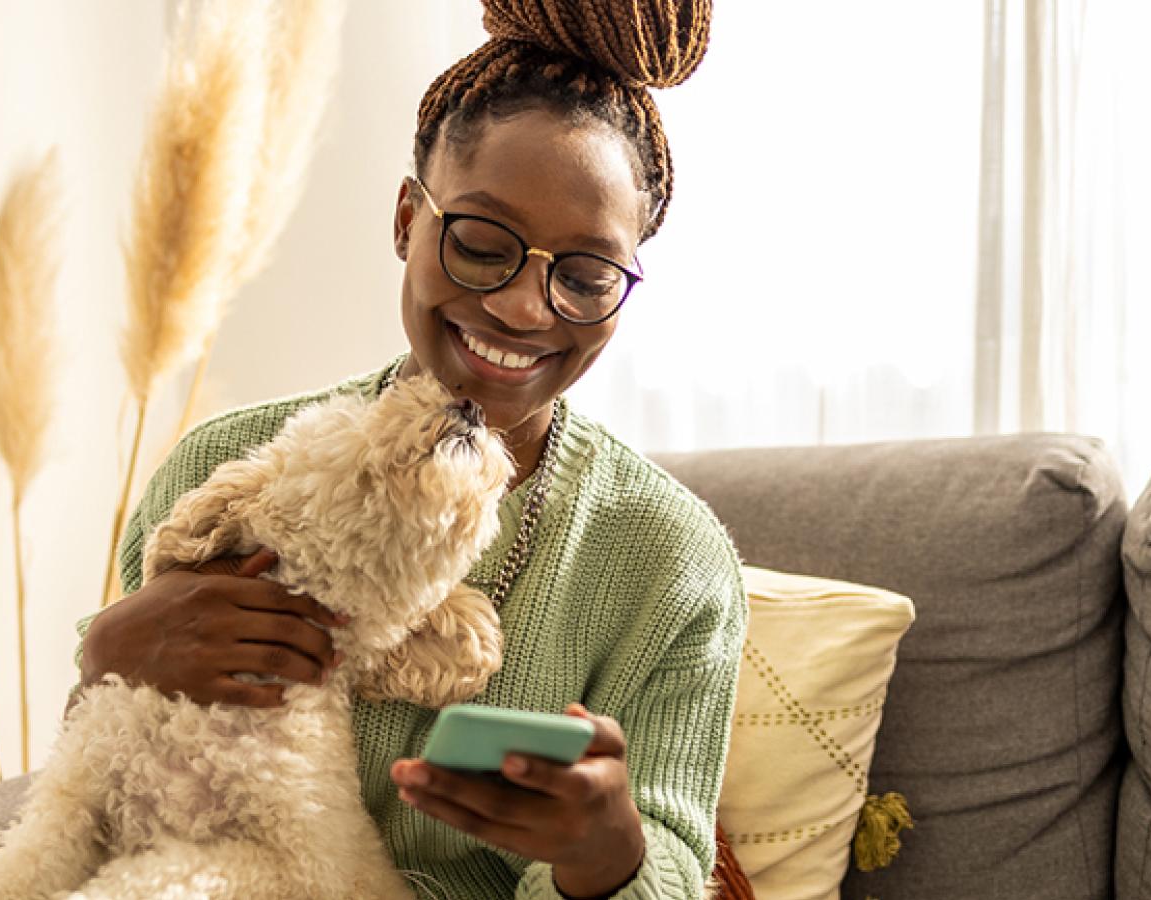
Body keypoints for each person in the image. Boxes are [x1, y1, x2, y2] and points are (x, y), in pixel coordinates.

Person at [74, 1, 746, 897]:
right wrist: (105, 657)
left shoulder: (673, 563)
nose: (522, 307)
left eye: (586, 275)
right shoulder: (222, 467)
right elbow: (105, 784)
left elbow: (672, 866)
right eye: (481, 243)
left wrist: (607, 855)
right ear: (406, 220)